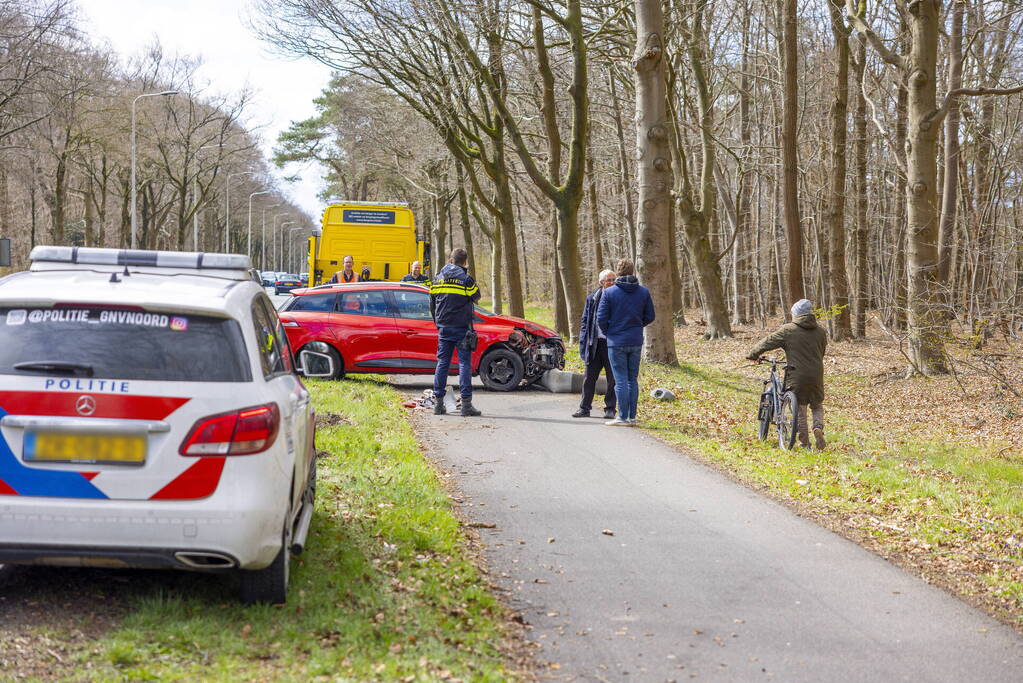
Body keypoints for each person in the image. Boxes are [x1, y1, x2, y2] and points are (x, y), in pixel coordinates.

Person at [746, 299, 828, 450]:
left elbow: (768, 341)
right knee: (817, 405)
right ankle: (818, 427)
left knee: (800, 409)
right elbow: (821, 352)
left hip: (797, 374)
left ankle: (805, 444)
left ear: (796, 314)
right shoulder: (821, 332)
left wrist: (753, 354)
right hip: (816, 373)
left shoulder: (789, 330)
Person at [596, 259, 655, 426]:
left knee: (620, 380)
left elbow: (601, 318)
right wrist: (637, 325)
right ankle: (632, 417)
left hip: (616, 341)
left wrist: (610, 332)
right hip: (635, 340)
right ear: (632, 271)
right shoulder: (643, 292)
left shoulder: (609, 293)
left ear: (618, 272)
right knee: (632, 380)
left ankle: (622, 417)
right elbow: (650, 316)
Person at [430, 248, 482, 417]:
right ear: (465, 262)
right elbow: (476, 296)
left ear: (450, 260)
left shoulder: (437, 278)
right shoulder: (466, 279)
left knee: (442, 363)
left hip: (444, 327)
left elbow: (432, 303)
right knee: (464, 364)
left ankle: (438, 405)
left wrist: (438, 323)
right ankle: (466, 405)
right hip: (461, 328)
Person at [573, 269, 617, 419]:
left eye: (613, 280)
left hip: (612, 344)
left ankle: (610, 409)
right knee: (589, 378)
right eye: (608, 280)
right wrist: (583, 343)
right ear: (601, 282)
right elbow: (585, 322)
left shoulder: (618, 297)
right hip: (594, 344)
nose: (611, 283)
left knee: (613, 379)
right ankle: (584, 408)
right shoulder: (592, 298)